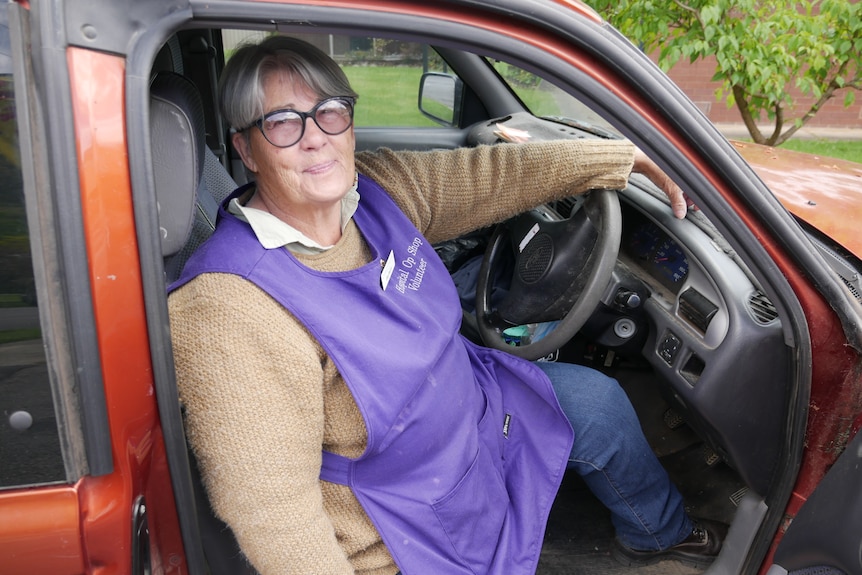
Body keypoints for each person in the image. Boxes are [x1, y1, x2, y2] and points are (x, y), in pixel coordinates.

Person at [167, 35, 726, 575]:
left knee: (598, 406)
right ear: (245, 147)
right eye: (283, 123)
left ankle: (658, 535)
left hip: (473, 407)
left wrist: (623, 159)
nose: (315, 138)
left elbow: (493, 175)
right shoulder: (228, 305)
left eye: (330, 111)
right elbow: (275, 515)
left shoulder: (378, 192)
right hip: (408, 522)